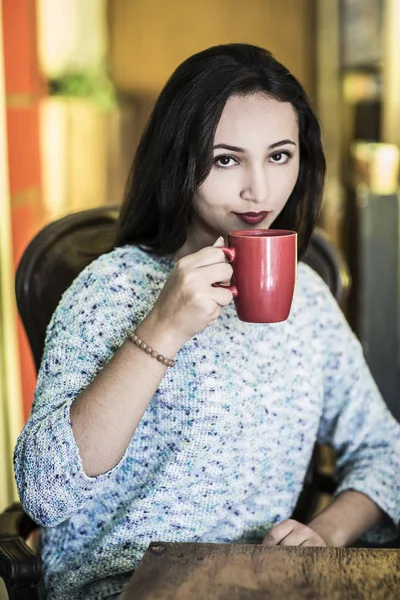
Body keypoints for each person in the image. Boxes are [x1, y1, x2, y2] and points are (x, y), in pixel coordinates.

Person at [14, 43, 400, 600]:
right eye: (225, 159)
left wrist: (325, 533)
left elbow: (384, 450)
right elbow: (44, 492)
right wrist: (162, 328)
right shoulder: (112, 288)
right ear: (179, 159)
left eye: (279, 156)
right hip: (121, 588)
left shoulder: (308, 301)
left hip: (263, 586)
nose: (259, 190)